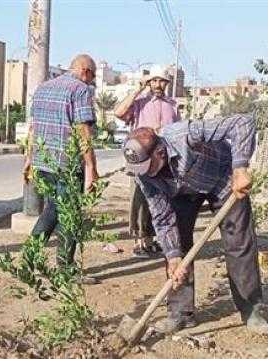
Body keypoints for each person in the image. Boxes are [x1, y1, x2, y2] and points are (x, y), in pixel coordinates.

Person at [123, 114, 268, 336]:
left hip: (223, 180)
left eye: (147, 166)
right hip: (182, 192)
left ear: (160, 152)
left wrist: (240, 168)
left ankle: (252, 310)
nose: (143, 174)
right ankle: (181, 314)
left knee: (239, 243)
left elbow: (242, 122)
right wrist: (173, 257)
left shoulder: (184, 135)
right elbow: (162, 217)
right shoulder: (143, 174)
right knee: (177, 250)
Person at [22, 54, 100, 283]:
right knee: (69, 216)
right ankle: (66, 269)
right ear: (85, 71)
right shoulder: (80, 90)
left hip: (42, 162)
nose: (91, 81)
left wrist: (28, 159)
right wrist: (91, 168)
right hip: (66, 165)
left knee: (52, 210)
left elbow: (33, 128)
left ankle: (29, 258)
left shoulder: (43, 89)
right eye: (93, 76)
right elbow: (82, 130)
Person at [114, 66, 181, 258]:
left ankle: (153, 241)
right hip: (141, 159)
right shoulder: (139, 103)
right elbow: (119, 113)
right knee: (140, 198)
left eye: (162, 81)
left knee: (161, 199)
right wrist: (138, 89)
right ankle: (139, 242)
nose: (158, 85)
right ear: (149, 82)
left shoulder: (172, 105)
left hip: (163, 160)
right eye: (155, 80)